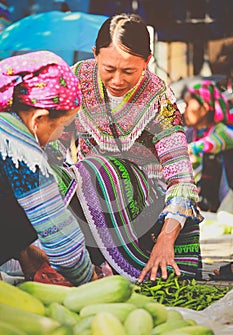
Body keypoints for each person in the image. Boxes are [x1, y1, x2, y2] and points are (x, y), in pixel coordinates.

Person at [59, 13, 204, 283]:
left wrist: (165, 239)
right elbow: (53, 151)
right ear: (95, 54)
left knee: (98, 168)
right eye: (108, 69)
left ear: (148, 62)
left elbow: (182, 179)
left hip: (145, 206)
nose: (116, 80)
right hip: (92, 200)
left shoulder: (159, 99)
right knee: (73, 174)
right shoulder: (77, 77)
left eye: (128, 71)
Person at [0, 50, 96, 286]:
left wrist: (26, 253)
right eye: (62, 125)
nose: (60, 135)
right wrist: (91, 281)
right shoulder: (21, 152)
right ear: (38, 119)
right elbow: (62, 242)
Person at [183, 80, 233, 213]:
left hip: (223, 205)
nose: (185, 110)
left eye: (188, 104)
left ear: (204, 108)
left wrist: (192, 148)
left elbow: (216, 142)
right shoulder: (189, 133)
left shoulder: (222, 131)